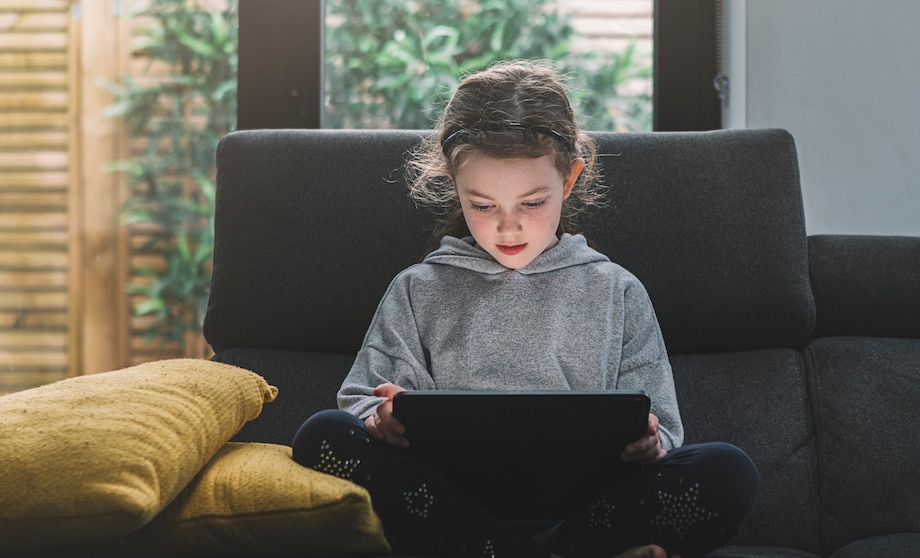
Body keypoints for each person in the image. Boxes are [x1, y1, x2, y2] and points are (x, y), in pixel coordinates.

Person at [293, 60, 759, 558]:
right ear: (455, 185)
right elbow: (361, 399)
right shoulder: (418, 289)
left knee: (728, 471)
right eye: (484, 205)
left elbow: (663, 428)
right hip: (451, 510)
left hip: (588, 511)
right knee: (322, 435)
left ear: (570, 179)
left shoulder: (616, 291)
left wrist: (650, 443)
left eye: (532, 203)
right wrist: (380, 418)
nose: (508, 229)